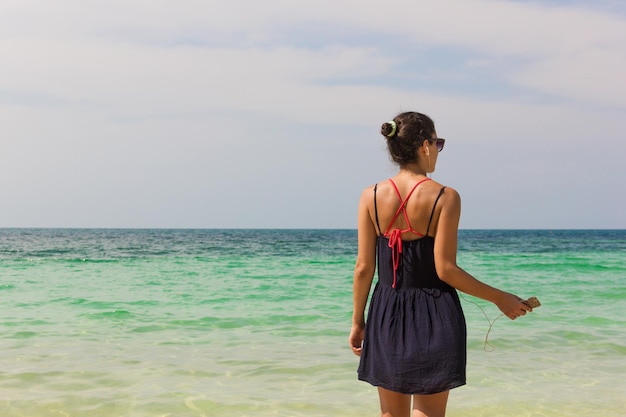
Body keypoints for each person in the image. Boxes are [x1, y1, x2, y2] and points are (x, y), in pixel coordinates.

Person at [348, 111, 533, 417]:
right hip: (434, 313)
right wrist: (500, 298)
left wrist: (358, 320)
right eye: (438, 143)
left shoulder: (371, 196)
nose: (437, 151)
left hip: (386, 310)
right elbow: (445, 269)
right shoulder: (445, 197)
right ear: (425, 145)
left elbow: (364, 268)